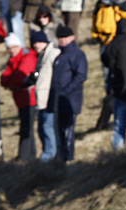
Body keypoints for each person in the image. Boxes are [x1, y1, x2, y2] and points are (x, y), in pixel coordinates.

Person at [50, 24, 85, 162]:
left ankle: (69, 159)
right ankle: (61, 158)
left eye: (65, 37)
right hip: (58, 100)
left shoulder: (77, 54)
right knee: (59, 131)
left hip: (70, 100)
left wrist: (67, 90)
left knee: (68, 131)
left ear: (73, 37)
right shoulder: (60, 56)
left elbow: (81, 76)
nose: (63, 40)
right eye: (60, 38)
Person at [0, 32, 37, 161]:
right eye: (9, 48)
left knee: (26, 127)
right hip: (20, 99)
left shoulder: (28, 57)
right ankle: (29, 155)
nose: (11, 50)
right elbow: (4, 78)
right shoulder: (13, 60)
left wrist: (11, 82)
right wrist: (10, 81)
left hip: (29, 98)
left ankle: (24, 156)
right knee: (26, 126)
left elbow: (19, 78)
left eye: (13, 47)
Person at [101, 16, 126, 149]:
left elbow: (107, 60)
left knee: (120, 123)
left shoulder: (115, 42)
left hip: (119, 87)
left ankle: (118, 149)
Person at [31, 29, 58, 161]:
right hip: (42, 99)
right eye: (35, 43)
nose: (37, 45)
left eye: (39, 42)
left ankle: (50, 155)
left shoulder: (53, 54)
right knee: (42, 129)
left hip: (49, 98)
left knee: (48, 128)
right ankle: (48, 154)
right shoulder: (42, 56)